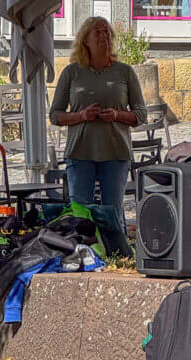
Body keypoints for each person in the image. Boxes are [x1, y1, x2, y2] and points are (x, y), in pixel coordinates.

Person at [50, 17, 147, 233]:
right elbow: (55, 115)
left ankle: (116, 252)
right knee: (80, 209)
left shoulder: (125, 72)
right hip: (80, 151)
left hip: (116, 151)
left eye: (107, 32)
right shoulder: (71, 73)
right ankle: (85, 252)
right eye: (97, 33)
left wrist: (116, 115)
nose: (103, 37)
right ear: (85, 40)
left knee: (113, 209)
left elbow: (141, 114)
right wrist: (82, 115)